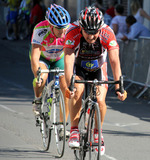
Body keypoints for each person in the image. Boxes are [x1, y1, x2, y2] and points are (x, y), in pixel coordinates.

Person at [64, 6, 127, 155]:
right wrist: (69, 85)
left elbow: (114, 61)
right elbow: (68, 59)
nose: (91, 37)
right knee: (77, 90)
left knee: (100, 100)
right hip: (78, 67)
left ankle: (98, 133)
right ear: (81, 28)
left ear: (100, 28)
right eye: (87, 32)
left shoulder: (107, 33)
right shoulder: (72, 31)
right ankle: (74, 130)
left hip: (98, 68)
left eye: (94, 33)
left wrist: (119, 86)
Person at [30, 4, 70, 130]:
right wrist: (38, 75)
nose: (63, 32)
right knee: (42, 76)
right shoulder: (40, 29)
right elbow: (35, 56)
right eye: (59, 29)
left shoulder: (69, 30)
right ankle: (37, 100)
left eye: (64, 28)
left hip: (59, 58)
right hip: (43, 58)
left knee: (66, 88)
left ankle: (63, 126)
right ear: (50, 25)